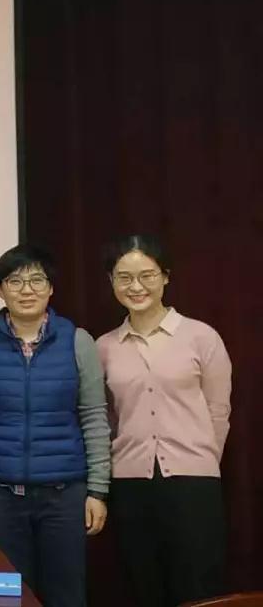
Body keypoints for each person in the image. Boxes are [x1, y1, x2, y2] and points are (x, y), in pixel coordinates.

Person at [0, 245, 110, 607]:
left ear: (51, 288)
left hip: (64, 496)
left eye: (37, 280)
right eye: (15, 281)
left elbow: (94, 416)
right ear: (0, 290)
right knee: (3, 599)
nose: (27, 290)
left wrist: (97, 490)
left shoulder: (78, 341)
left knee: (65, 596)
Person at [96, 235, 232, 607]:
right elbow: (105, 417)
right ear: (111, 281)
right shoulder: (104, 347)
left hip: (194, 481)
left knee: (198, 586)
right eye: (124, 277)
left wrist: (203, 460)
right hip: (130, 481)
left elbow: (218, 410)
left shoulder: (201, 337)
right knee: (143, 584)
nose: (136, 286)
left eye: (147, 275)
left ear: (166, 276)